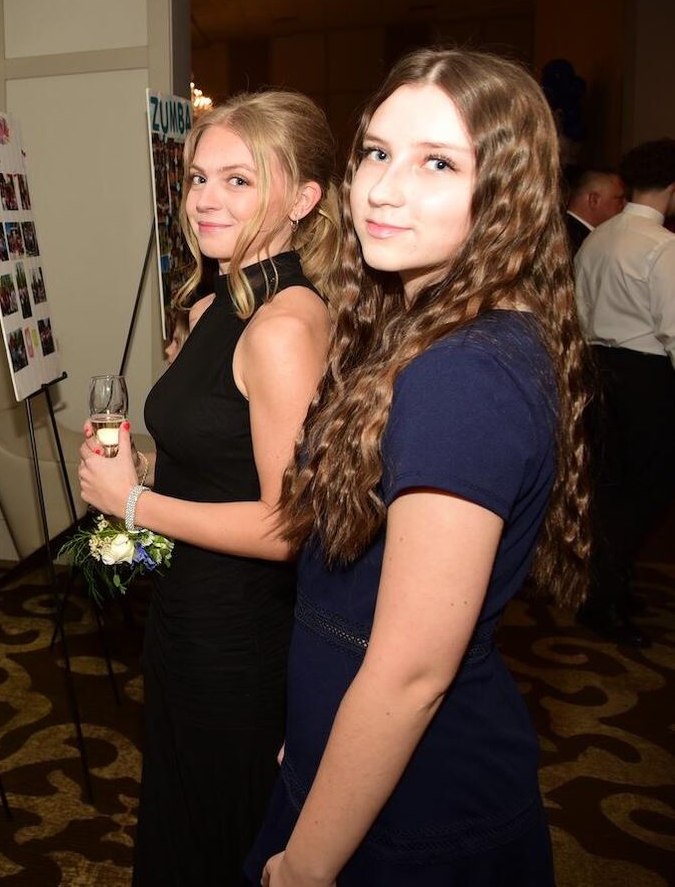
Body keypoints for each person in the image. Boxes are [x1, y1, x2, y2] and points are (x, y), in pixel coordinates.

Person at [245, 48, 593, 885]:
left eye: (438, 162)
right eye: (377, 152)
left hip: (416, 811)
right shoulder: (441, 333)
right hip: (372, 769)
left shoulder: (463, 372)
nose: (383, 189)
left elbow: (410, 672)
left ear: (507, 192)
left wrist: (307, 866)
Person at [77, 90, 339, 885]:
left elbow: (289, 526)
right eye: (198, 178)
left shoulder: (281, 325)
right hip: (188, 616)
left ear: (303, 199)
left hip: (235, 640)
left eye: (239, 180)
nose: (205, 200)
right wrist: (147, 468)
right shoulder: (219, 301)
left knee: (214, 843)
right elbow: (225, 462)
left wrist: (131, 502)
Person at [573, 137, 675, 647]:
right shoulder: (663, 246)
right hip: (647, 377)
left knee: (610, 487)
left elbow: (579, 309)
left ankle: (606, 587)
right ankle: (605, 598)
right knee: (646, 491)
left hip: (598, 369)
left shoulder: (600, 236)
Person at [562, 166, 626, 254]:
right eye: (619, 199)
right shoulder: (580, 243)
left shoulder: (560, 229)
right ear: (594, 200)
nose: (625, 205)